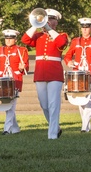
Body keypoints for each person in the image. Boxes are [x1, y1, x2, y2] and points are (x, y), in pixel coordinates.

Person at [21, 9, 69, 139]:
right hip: (40, 73)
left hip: (54, 73)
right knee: (44, 104)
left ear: (56, 22)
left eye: (51, 18)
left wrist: (47, 28)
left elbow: (62, 43)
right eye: (46, 18)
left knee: (53, 104)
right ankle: (56, 128)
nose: (48, 20)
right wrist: (35, 24)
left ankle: (52, 134)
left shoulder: (62, 35)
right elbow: (25, 39)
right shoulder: (38, 36)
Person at [0, 29, 29, 134]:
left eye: (11, 38)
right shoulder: (0, 50)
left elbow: (25, 67)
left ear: (15, 39)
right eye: (6, 38)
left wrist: (22, 67)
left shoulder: (22, 50)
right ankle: (15, 128)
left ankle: (6, 129)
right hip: (3, 79)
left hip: (15, 79)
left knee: (11, 103)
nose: (8, 40)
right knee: (8, 105)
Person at [64, 18, 91, 133]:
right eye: (83, 27)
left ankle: (84, 127)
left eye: (87, 27)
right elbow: (67, 56)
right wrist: (69, 62)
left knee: (89, 99)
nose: (85, 30)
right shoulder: (75, 41)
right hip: (78, 74)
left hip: (90, 73)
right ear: (81, 29)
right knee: (80, 101)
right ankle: (86, 124)